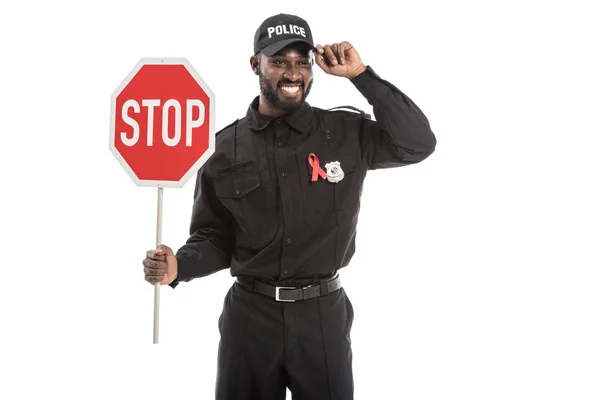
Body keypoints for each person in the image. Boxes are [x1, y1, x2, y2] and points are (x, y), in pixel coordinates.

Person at [143, 12, 436, 400]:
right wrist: (179, 266)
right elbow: (214, 237)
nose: (293, 73)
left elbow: (417, 143)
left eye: (302, 61)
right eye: (279, 61)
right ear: (256, 64)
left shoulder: (346, 134)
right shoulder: (222, 149)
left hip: (323, 317)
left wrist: (361, 75)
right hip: (249, 318)